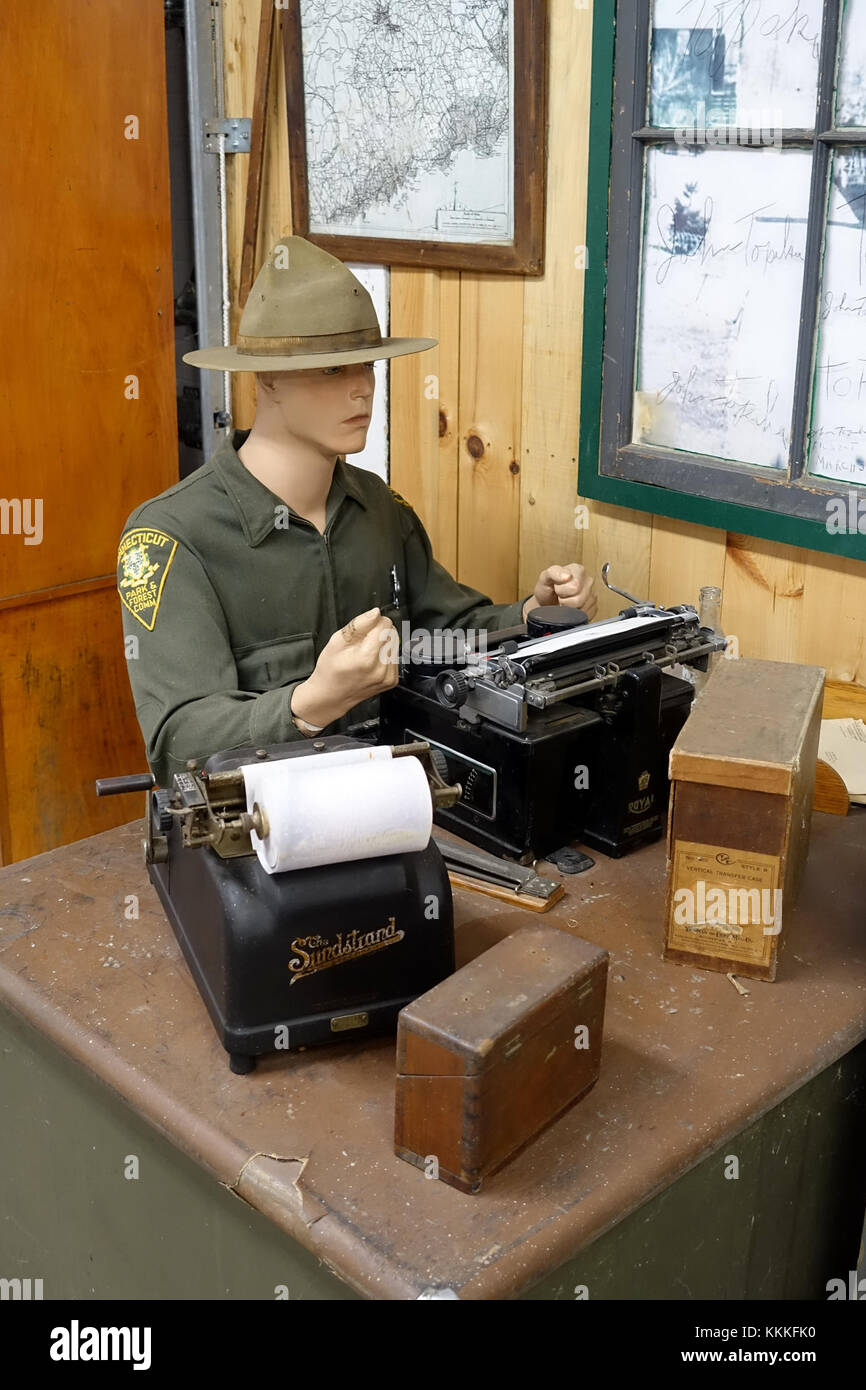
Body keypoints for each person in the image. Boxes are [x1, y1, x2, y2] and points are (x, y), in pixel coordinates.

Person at [117, 237, 597, 786]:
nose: (362, 390)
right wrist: (305, 705)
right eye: (330, 370)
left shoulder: (377, 507)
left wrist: (533, 615)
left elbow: (448, 631)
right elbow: (178, 744)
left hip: (394, 805)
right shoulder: (171, 540)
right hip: (254, 835)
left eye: (366, 364)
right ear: (265, 377)